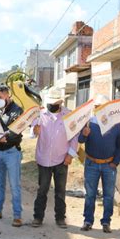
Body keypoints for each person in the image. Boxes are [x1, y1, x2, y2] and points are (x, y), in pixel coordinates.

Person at [31, 86, 78, 229]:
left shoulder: (69, 115)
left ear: (60, 103)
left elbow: (74, 136)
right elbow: (32, 132)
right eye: (50, 103)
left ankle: (60, 218)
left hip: (62, 159)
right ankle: (38, 217)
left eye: (54, 103)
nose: (51, 105)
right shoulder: (40, 114)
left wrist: (70, 154)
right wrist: (35, 130)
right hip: (43, 158)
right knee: (42, 189)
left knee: (60, 190)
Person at [78, 94, 120, 233]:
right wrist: (84, 134)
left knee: (108, 195)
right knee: (90, 194)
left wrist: (115, 162)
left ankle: (106, 222)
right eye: (97, 107)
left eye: (102, 107)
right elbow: (80, 140)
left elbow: (119, 146)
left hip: (108, 165)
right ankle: (88, 221)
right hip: (91, 163)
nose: (99, 109)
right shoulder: (89, 122)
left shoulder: (115, 125)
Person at [0, 85, 24, 227]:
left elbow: (17, 131)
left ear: (7, 95)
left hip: (12, 152)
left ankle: (17, 216)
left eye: (0, 97)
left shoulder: (17, 111)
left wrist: (4, 138)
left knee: (15, 185)